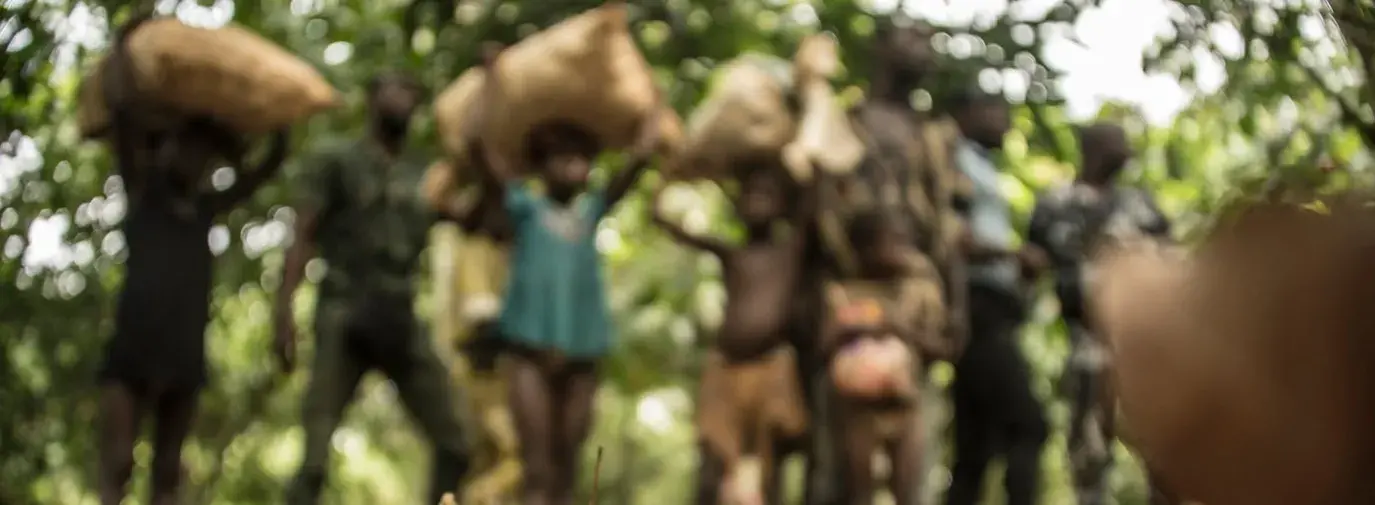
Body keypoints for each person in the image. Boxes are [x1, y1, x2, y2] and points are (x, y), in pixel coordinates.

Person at [96, 15, 291, 505]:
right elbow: (121, 115)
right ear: (166, 149)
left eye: (204, 154)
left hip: (183, 351)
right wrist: (123, 47)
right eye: (187, 148)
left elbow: (264, 167)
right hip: (133, 345)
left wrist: (279, 112)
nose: (194, 160)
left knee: (167, 472)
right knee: (117, 463)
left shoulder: (205, 208)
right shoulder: (143, 192)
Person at [473, 46, 665, 505]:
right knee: (536, 469)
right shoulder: (525, 207)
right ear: (543, 167)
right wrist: (490, 83)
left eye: (582, 160)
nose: (573, 167)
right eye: (562, 159)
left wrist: (651, 99)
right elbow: (478, 146)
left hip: (584, 352)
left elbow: (642, 154)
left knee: (568, 470)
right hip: (528, 352)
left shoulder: (593, 211)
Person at [274, 72, 472, 505]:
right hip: (344, 310)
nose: (404, 98)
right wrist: (283, 311)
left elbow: (475, 219)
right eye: (395, 88)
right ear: (371, 97)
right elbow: (303, 233)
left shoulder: (425, 176)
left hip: (399, 314)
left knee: (456, 444)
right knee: (314, 459)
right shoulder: (338, 160)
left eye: (411, 92)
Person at [802, 18, 966, 505]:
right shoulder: (843, 123)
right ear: (881, 47)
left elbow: (950, 231)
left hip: (915, 300)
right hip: (850, 295)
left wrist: (956, 309)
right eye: (912, 36)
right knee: (842, 457)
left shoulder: (933, 136)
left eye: (930, 42)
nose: (924, 50)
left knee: (911, 447)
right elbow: (816, 222)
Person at [651, 161, 815, 505]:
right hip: (725, 369)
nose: (757, 204)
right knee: (711, 465)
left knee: (772, 470)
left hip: (772, 368)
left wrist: (800, 158)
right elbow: (673, 228)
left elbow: (814, 200)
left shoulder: (791, 250)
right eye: (749, 196)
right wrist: (663, 184)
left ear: (782, 206)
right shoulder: (731, 253)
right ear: (737, 207)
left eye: (766, 196)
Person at [1027, 122, 1172, 505]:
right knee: (1089, 452)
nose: (1126, 149)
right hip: (1088, 344)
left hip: (1144, 349)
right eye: (1118, 141)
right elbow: (1033, 263)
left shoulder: (1140, 204)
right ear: (1093, 148)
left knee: (1165, 450)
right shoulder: (1054, 205)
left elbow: (1171, 260)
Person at [944, 88, 1050, 505]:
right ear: (968, 111)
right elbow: (955, 235)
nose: (1005, 122)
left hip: (991, 305)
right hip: (976, 304)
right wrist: (1014, 252)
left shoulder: (982, 165)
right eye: (995, 110)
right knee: (1030, 425)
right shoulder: (957, 158)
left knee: (975, 443)